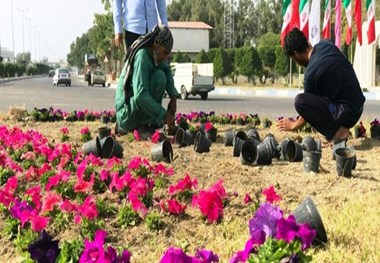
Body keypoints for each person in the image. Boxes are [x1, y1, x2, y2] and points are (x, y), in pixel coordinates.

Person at [276, 28, 365, 145]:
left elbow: (307, 110)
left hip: (347, 114)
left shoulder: (311, 73)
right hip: (358, 104)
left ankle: (339, 132)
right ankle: (340, 128)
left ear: (296, 54)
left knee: (300, 101)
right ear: (306, 41)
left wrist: (293, 125)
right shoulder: (325, 44)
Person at [114, 25, 179, 138]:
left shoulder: (155, 55)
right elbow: (140, 96)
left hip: (134, 109)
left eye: (167, 55)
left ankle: (147, 124)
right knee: (159, 78)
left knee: (161, 75)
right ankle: (134, 126)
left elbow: (166, 69)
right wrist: (164, 115)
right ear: (156, 44)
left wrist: (173, 98)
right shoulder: (142, 56)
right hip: (126, 113)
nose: (164, 57)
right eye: (164, 53)